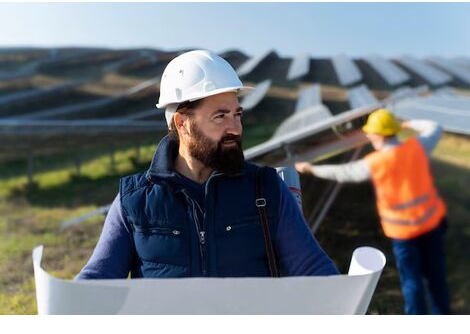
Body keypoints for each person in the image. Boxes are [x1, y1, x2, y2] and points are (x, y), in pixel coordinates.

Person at [76, 50, 338, 280]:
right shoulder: (133, 201)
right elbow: (97, 279)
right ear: (182, 123)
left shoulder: (266, 190)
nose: (235, 128)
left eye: (237, 114)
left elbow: (314, 269)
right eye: (220, 116)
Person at [295, 108, 450, 314]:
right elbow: (435, 127)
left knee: (412, 282)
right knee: (436, 277)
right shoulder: (417, 147)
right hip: (431, 225)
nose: (368, 136)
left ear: (378, 135)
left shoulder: (376, 163)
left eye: (371, 132)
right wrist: (407, 124)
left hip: (403, 233)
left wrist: (311, 169)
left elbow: (344, 173)